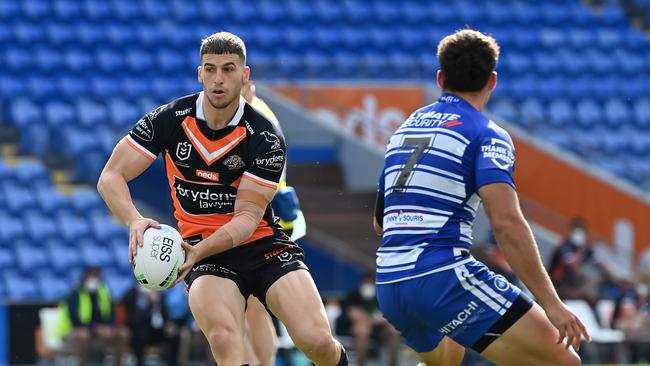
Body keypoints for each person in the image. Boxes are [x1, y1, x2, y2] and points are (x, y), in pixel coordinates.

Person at [97, 32, 348, 366]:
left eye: (228, 69)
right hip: (202, 251)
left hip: (261, 244)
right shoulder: (170, 119)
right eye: (210, 69)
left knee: (317, 341)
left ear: (244, 76)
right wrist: (134, 219)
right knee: (223, 337)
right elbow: (110, 176)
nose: (218, 79)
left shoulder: (264, 135)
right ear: (199, 73)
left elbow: (246, 219)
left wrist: (197, 251)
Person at [372, 29, 590, 366]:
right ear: (492, 81)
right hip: (442, 277)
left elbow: (380, 222)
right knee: (564, 362)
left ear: (440, 78)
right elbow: (506, 224)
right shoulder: (485, 134)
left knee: (448, 360)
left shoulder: (405, 130)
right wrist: (552, 304)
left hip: (389, 283)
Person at [58, 266, 125, 366]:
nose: (94, 280)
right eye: (91, 276)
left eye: (96, 277)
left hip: (100, 331)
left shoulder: (104, 292)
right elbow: (75, 319)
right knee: (83, 335)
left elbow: (111, 313)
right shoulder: (75, 293)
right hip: (75, 330)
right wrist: (95, 328)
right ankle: (82, 363)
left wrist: (109, 328)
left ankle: (118, 363)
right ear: (85, 277)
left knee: (123, 333)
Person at [549, 218, 617, 316]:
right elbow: (572, 265)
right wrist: (587, 277)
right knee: (587, 296)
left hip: (575, 286)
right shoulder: (563, 246)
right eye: (577, 228)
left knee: (597, 294)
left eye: (582, 229)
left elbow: (599, 262)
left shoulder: (585, 248)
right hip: (558, 287)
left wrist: (613, 276)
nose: (579, 232)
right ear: (571, 230)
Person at [337, 274, 400, 366]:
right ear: (361, 284)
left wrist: (376, 319)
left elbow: (388, 315)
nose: (369, 285)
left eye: (371, 283)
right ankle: (361, 363)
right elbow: (355, 315)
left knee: (393, 330)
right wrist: (375, 318)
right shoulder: (353, 296)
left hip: (377, 330)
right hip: (351, 329)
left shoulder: (380, 297)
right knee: (362, 330)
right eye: (367, 283)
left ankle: (393, 363)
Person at [121, 284, 182, 366]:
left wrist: (169, 324)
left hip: (160, 329)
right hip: (141, 329)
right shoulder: (131, 295)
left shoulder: (160, 295)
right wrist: (150, 304)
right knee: (139, 335)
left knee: (175, 335)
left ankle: (173, 363)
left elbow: (166, 314)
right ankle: (140, 362)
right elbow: (135, 318)